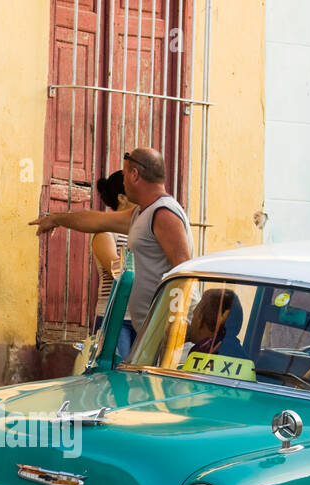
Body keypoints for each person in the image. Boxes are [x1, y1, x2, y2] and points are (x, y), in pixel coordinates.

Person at [31, 147, 192, 358]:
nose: (123, 181)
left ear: (135, 175)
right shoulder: (142, 213)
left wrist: (172, 327)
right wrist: (57, 219)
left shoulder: (164, 214)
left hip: (166, 335)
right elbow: (97, 220)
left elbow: (184, 271)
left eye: (125, 175)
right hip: (151, 332)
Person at [89, 171, 131, 330]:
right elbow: (117, 270)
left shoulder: (142, 229)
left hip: (140, 318)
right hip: (114, 317)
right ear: (121, 198)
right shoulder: (105, 232)